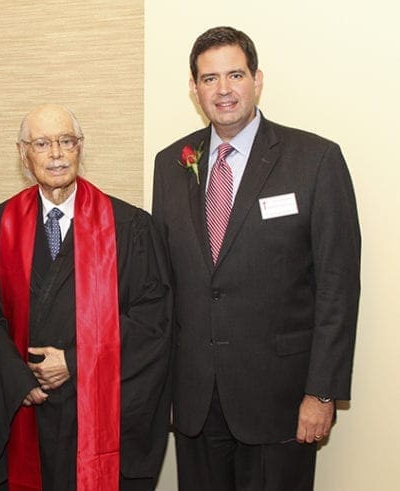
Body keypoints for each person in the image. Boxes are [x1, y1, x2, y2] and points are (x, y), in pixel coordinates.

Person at [152, 26, 361, 490]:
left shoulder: (315, 159)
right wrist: (163, 388)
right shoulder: (171, 164)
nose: (223, 90)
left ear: (257, 79)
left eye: (235, 75)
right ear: (194, 88)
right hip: (196, 403)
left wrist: (321, 393)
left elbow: (337, 288)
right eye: (209, 79)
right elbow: (165, 286)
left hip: (280, 402)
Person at [0, 104, 172, 491]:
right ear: (23, 153)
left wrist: (75, 361)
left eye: (66, 141)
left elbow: (154, 321)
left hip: (100, 411)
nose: (56, 154)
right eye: (42, 143)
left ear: (80, 147)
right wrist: (20, 380)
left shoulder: (129, 226)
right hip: (27, 408)